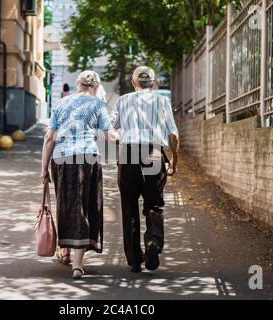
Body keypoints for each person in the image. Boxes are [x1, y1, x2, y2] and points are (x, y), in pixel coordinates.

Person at [41, 71, 119, 280]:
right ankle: (77, 265)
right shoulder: (97, 105)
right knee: (86, 205)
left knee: (67, 204)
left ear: (78, 85)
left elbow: (49, 138)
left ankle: (65, 252)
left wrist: (43, 169)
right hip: (87, 158)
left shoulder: (60, 104)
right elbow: (110, 133)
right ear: (95, 86)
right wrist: (121, 138)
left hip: (62, 159)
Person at [110, 66, 180, 273]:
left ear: (133, 83)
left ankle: (134, 260)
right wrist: (174, 161)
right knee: (154, 205)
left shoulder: (122, 101)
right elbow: (173, 136)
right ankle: (153, 246)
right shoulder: (162, 101)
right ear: (152, 83)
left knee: (129, 207)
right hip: (153, 154)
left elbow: (110, 127)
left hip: (128, 155)